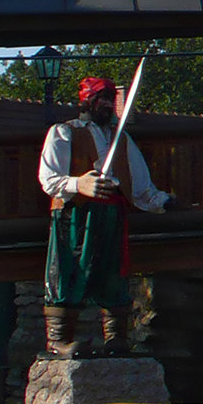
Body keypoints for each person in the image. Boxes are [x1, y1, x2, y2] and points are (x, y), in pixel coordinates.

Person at [37, 75, 175, 358]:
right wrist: (79, 184)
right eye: (102, 99)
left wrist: (163, 203)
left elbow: (140, 186)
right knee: (68, 271)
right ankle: (59, 340)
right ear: (87, 100)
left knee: (113, 272)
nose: (107, 105)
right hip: (74, 215)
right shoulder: (64, 133)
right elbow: (49, 178)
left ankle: (116, 338)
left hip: (111, 213)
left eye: (110, 100)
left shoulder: (120, 139)